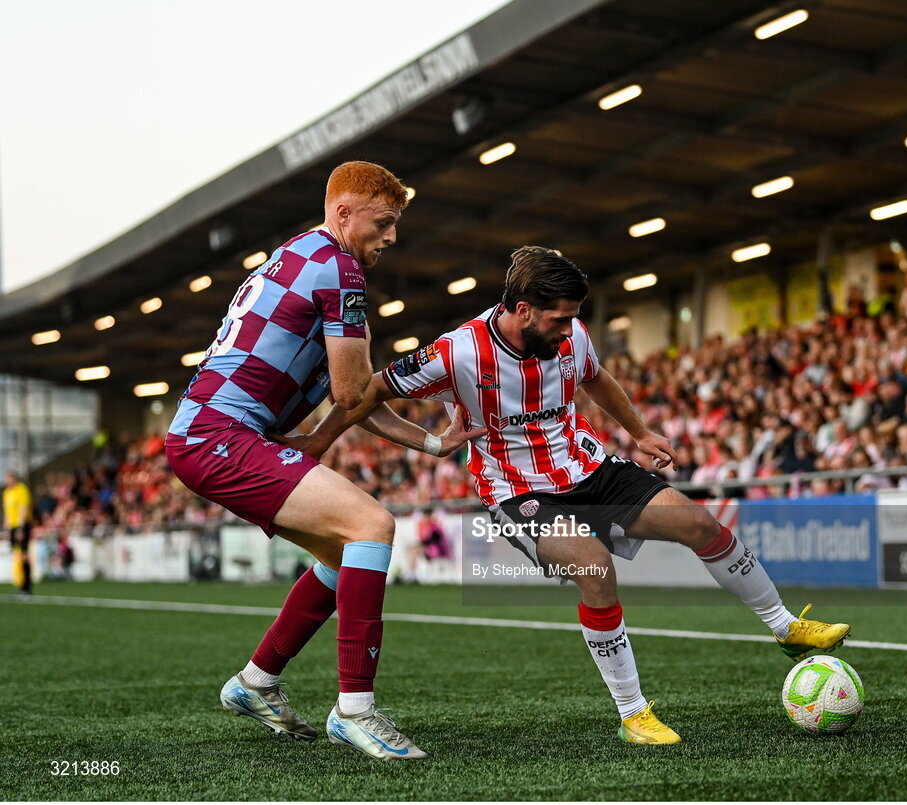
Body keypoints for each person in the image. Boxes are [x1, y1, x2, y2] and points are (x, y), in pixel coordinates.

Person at [281, 245, 851, 745]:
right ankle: (634, 713)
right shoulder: (457, 353)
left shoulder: (571, 333)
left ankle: (784, 626)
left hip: (591, 467)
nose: (567, 329)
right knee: (594, 566)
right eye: (557, 319)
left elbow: (597, 376)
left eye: (571, 320)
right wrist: (322, 441)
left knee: (702, 525)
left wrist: (640, 433)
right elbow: (363, 392)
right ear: (522, 310)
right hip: (518, 492)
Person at [165, 161, 478, 760]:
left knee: (341, 553)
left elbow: (355, 392)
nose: (392, 237)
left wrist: (435, 444)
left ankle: (256, 682)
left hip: (210, 434)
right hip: (220, 435)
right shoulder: (340, 270)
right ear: (344, 213)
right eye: (384, 223)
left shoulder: (302, 256)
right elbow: (354, 393)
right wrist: (332, 431)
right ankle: (355, 710)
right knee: (373, 525)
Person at [4, 471, 33, 596]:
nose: (7, 481)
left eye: (8, 479)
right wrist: (6, 527)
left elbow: (23, 508)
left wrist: (21, 528)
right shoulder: (6, 493)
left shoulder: (22, 490)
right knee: (16, 555)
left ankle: (26, 586)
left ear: (14, 479)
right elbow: (7, 511)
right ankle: (19, 584)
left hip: (22, 525)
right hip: (12, 527)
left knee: (23, 555)